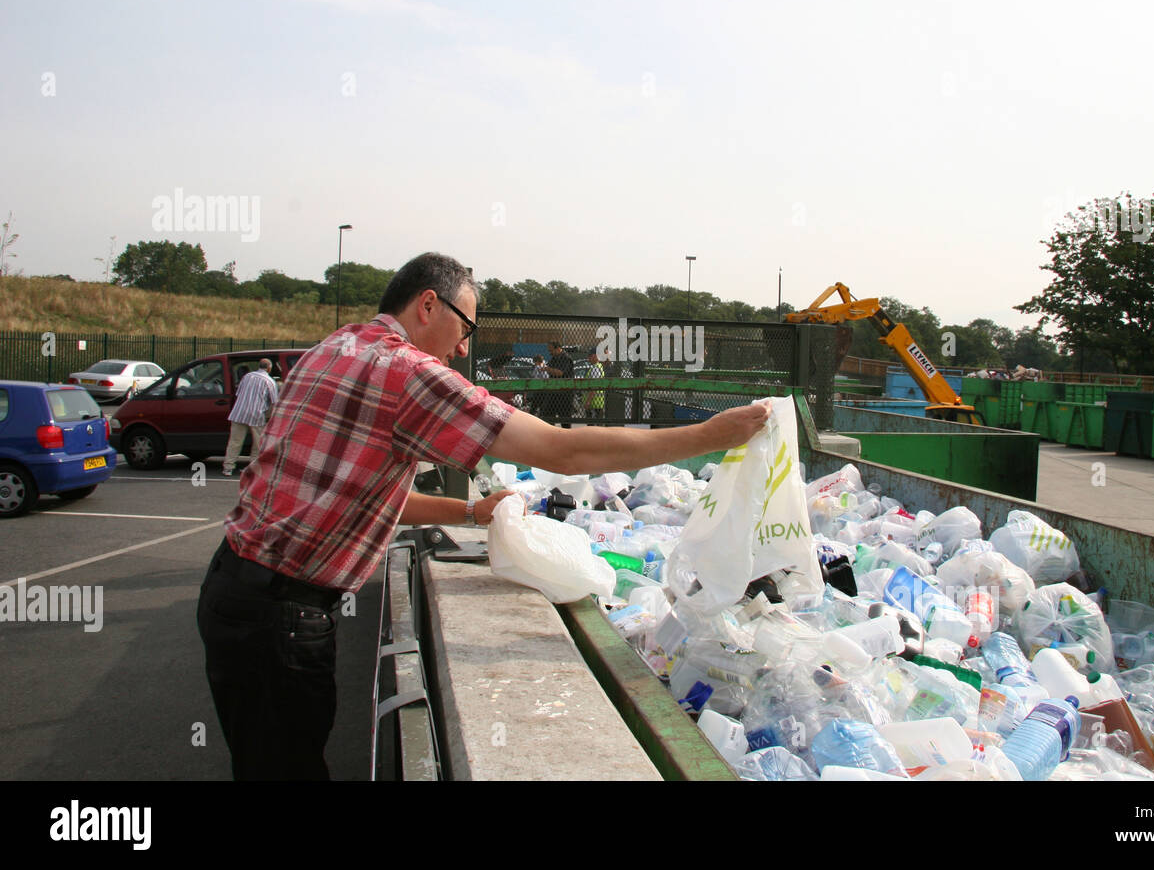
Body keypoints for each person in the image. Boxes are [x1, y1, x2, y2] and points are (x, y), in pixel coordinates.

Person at [196, 252, 767, 780]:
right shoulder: (407, 374)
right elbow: (559, 450)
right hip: (281, 618)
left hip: (236, 592)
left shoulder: (334, 348)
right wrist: (708, 435)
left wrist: (472, 511)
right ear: (427, 305)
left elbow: (358, 497)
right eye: (465, 328)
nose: (464, 349)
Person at [221, 358, 278, 477]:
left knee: (235, 442)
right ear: (269, 368)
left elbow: (238, 393)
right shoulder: (270, 381)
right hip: (256, 415)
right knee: (257, 444)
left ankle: (228, 467)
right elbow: (274, 401)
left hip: (239, 413)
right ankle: (253, 468)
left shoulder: (247, 377)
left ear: (259, 366)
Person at [540, 339, 575, 426]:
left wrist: (547, 369)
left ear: (558, 348)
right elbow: (549, 368)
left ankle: (566, 437)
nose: (550, 352)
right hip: (554, 392)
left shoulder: (566, 358)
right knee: (548, 415)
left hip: (564, 393)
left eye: (551, 350)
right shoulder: (554, 358)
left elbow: (560, 372)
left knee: (565, 419)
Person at [583, 349, 606, 421]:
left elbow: (594, 386)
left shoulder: (595, 368)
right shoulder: (598, 366)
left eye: (590, 356)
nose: (588, 358)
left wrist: (588, 401)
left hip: (593, 404)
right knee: (597, 424)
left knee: (592, 425)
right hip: (597, 403)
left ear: (595, 356)